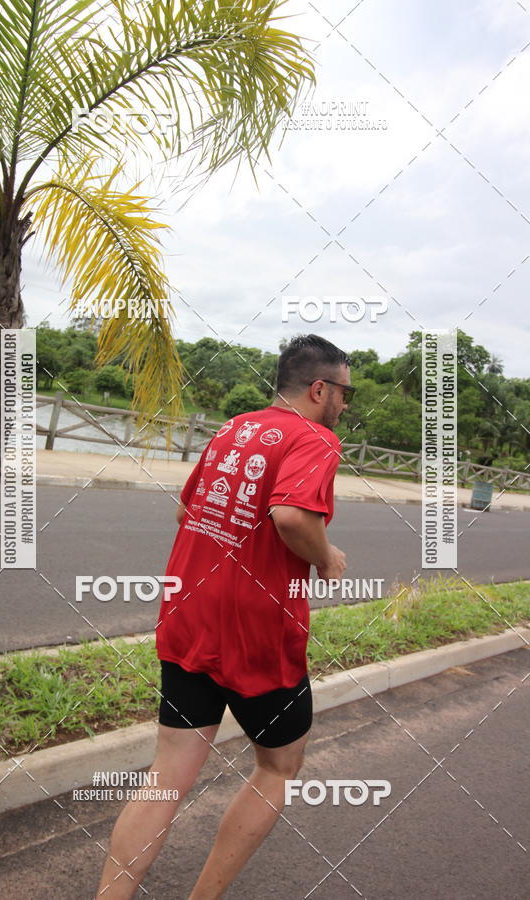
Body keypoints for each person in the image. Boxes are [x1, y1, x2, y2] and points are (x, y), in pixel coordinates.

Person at [97, 334, 353, 898]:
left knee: (166, 778)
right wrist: (327, 557)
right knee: (278, 768)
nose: (345, 405)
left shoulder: (235, 427)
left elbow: (189, 507)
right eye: (345, 393)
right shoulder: (316, 437)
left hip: (188, 613)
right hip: (257, 633)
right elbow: (291, 517)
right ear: (319, 389)